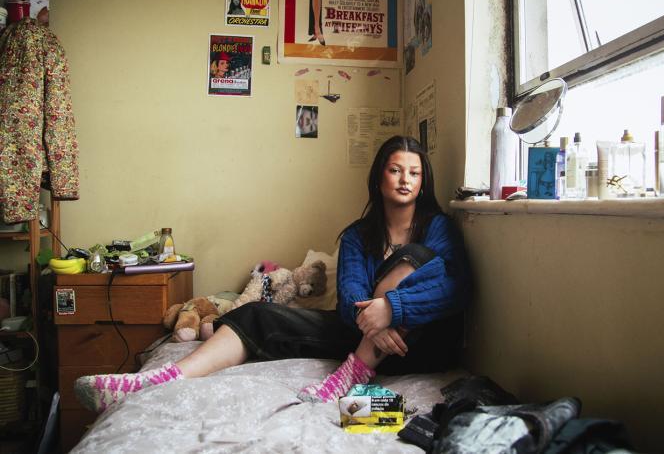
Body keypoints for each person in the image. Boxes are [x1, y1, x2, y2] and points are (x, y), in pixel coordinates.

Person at [73, 135, 470, 412]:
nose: (404, 180)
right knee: (253, 313)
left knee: (417, 258)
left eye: (414, 173)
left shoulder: (439, 228)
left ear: (424, 181)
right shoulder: (355, 236)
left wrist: (393, 307)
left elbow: (457, 287)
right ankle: (161, 379)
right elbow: (350, 297)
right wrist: (374, 320)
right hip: (363, 334)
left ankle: (357, 366)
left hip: (422, 346)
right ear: (379, 177)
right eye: (395, 170)